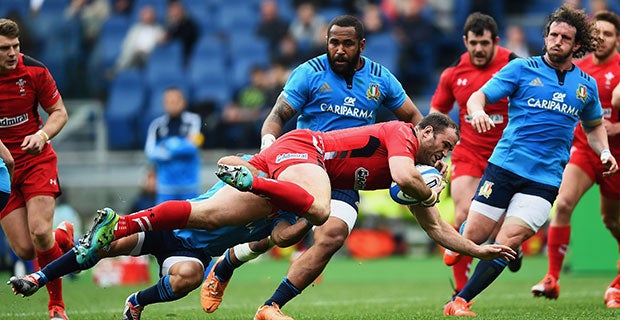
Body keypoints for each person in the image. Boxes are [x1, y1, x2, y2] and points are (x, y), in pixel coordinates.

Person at [201, 13, 426, 317]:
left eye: (348, 44)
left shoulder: (380, 78)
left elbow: (413, 117)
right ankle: (229, 260)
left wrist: (424, 150)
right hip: (305, 166)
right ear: (326, 42)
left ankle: (271, 306)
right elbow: (277, 116)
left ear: (361, 45)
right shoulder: (309, 72)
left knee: (332, 236)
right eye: (334, 42)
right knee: (278, 232)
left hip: (347, 175)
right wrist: (269, 146)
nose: (340, 50)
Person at [443, 6, 618, 317]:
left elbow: (593, 126)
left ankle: (460, 301)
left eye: (565, 37)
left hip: (545, 179)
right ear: (545, 37)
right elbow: (477, 97)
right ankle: (466, 230)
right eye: (553, 35)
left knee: (507, 242)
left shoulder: (585, 86)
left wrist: (603, 151)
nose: (557, 41)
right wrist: (479, 111)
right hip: (505, 167)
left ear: (576, 45)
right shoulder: (521, 69)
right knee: (474, 238)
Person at [8, 177, 312, 320]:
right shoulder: (254, 174)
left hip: (192, 251)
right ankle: (39, 278)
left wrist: (313, 217)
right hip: (169, 222)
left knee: (190, 277)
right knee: (101, 248)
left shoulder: (284, 217)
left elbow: (282, 238)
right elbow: (233, 163)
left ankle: (136, 301)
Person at [530, 11, 620, 308]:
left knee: (612, 221)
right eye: (598, 33)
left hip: (617, 155)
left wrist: (617, 127)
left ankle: (618, 282)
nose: (602, 38)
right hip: (584, 149)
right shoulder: (577, 70)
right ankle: (552, 277)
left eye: (608, 34)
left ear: (617, 39)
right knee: (564, 203)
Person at [429, 12, 518, 297]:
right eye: (473, 43)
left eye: (484, 43)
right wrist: (436, 147)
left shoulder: (514, 65)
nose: (478, 49)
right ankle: (460, 292)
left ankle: (512, 247)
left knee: (502, 228)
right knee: (465, 213)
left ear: (496, 41)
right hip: (469, 153)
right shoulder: (454, 72)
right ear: (465, 41)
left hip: (507, 156)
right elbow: (436, 112)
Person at [0, 18, 73, 320]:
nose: (12, 53)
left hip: (36, 160)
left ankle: (56, 306)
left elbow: (59, 112)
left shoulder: (35, 71)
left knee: (40, 232)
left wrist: (42, 135)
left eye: (15, 46)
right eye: (5, 48)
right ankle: (64, 238)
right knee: (26, 250)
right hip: (2, 169)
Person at [144, 87, 202, 203]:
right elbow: (150, 152)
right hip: (166, 188)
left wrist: (167, 145)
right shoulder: (157, 125)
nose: (172, 104)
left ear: (183, 102)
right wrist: (180, 145)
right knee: (165, 220)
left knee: (192, 220)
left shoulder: (193, 121)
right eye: (169, 101)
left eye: (175, 101)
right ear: (164, 104)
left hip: (189, 187)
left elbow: (192, 147)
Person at [113, 4, 164, 73]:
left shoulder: (159, 30)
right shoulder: (135, 29)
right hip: (133, 55)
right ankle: (119, 70)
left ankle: (117, 71)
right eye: (145, 14)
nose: (147, 16)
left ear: (154, 16)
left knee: (139, 56)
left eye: (149, 14)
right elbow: (127, 45)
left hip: (149, 57)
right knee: (131, 56)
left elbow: (160, 46)